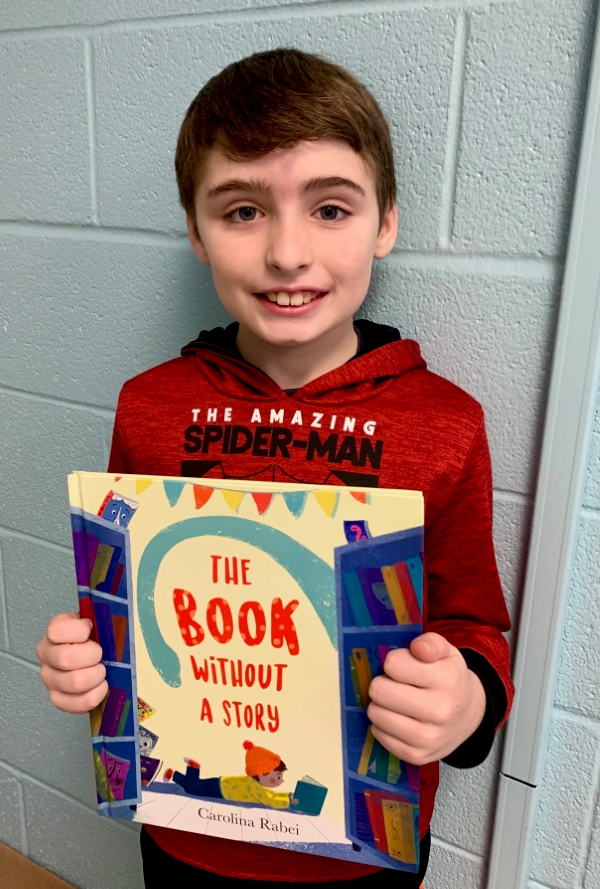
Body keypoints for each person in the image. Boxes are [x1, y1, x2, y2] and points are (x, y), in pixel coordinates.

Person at [36, 48, 513, 887]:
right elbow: (120, 606)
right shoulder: (152, 407)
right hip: (187, 837)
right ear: (195, 231)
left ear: (386, 222)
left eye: (331, 209)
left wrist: (465, 703)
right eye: (244, 211)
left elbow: (474, 623)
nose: (289, 253)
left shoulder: (444, 425)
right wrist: (84, 661)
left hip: (364, 850)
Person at [165, 741, 298, 810]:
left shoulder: (254, 782)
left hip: (221, 783)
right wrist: (288, 802)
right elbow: (270, 800)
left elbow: (270, 794)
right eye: (277, 777)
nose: (280, 781)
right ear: (262, 774)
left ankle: (192, 768)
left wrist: (287, 795)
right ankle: (175, 775)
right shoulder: (255, 787)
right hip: (221, 790)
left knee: (197, 785)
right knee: (192, 789)